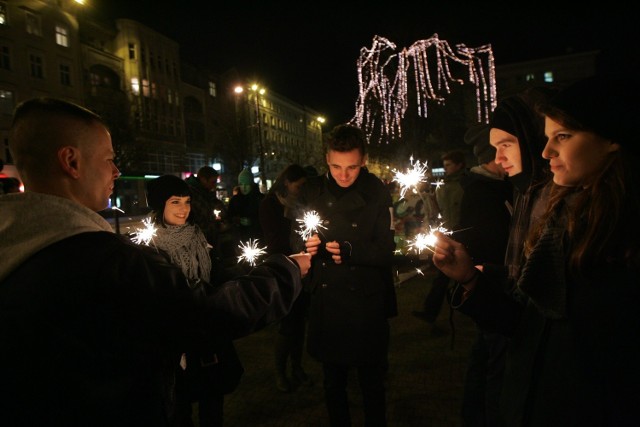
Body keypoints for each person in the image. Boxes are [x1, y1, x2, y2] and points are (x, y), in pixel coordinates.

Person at [0, 97, 311, 427]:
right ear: (71, 161)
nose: (117, 170)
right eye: (109, 159)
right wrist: (286, 271)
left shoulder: (19, 249)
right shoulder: (102, 261)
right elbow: (206, 313)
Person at [433, 75, 640, 425]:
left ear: (612, 138)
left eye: (563, 136)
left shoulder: (621, 237)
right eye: (546, 139)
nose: (547, 153)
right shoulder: (560, 218)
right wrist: (469, 278)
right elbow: (531, 325)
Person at [291, 123, 397, 426]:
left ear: (363, 160)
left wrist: (352, 250)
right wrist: (303, 245)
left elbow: (387, 250)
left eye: (351, 167)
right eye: (336, 166)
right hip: (327, 299)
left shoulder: (376, 190)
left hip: (367, 301)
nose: (343, 174)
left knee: (372, 384)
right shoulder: (311, 190)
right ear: (326, 158)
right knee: (332, 383)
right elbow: (292, 236)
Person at [145, 174, 243, 427]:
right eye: (175, 202)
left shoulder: (198, 236)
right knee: (180, 411)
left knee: (213, 407)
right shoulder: (150, 249)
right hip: (177, 347)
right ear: (160, 206)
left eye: (187, 201)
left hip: (208, 339)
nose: (183, 209)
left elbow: (217, 276)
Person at [455, 124, 513, 426]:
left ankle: (474, 415)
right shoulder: (482, 192)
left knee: (486, 357)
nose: (504, 160)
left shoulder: (499, 186)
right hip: (492, 282)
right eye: (498, 152)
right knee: (494, 364)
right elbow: (483, 239)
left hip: (493, 282)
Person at [258, 163, 312, 393]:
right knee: (288, 325)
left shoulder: (300, 204)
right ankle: (281, 372)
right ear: (287, 182)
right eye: (298, 186)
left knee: (299, 324)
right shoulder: (270, 204)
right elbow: (274, 238)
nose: (300, 190)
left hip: (303, 268)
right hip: (282, 268)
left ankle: (297, 367)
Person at [413, 149, 467, 335]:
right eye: (444, 166)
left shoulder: (466, 184)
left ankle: (435, 311)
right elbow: (435, 211)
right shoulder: (442, 185)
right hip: (448, 236)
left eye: (449, 165)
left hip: (463, 236)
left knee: (451, 278)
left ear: (460, 165)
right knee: (443, 278)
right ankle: (431, 312)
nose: (446, 169)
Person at [185, 166, 227, 250]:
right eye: (213, 182)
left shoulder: (206, 193)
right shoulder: (192, 194)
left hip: (207, 238)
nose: (214, 185)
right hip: (198, 241)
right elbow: (204, 216)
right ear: (204, 180)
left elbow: (218, 207)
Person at [227, 168, 264, 243]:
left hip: (257, 239)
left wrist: (252, 222)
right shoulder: (234, 200)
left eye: (246, 184)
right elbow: (229, 218)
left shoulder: (260, 199)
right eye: (241, 184)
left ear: (251, 184)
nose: (243, 187)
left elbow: (265, 219)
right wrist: (236, 220)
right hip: (239, 239)